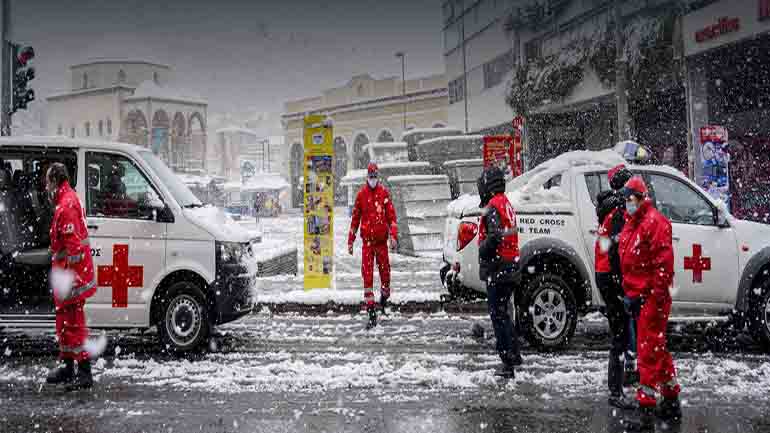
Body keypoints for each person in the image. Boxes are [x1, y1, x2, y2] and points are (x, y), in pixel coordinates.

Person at [618, 176, 681, 429]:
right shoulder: (634, 222)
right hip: (639, 295)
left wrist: (654, 296)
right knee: (656, 345)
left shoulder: (653, 223)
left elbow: (663, 264)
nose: (627, 203)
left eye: (630, 198)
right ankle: (670, 395)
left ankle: (646, 404)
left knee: (647, 347)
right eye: (626, 199)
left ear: (642, 198)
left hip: (650, 297)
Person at [45, 162, 97, 390]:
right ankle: (67, 367)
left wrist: (70, 281)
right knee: (65, 323)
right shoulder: (66, 200)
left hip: (71, 278)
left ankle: (84, 373)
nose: (46, 187)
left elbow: (74, 249)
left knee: (74, 325)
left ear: (55, 181)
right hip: (67, 275)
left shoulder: (65, 206)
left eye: (48, 182)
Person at [594, 164, 637, 408]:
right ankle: (616, 390)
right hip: (610, 276)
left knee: (620, 330)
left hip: (605, 274)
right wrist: (623, 282)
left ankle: (620, 382)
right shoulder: (619, 212)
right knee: (620, 334)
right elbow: (616, 251)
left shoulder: (610, 208)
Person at [477, 166, 521, 378]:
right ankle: (515, 353)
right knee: (505, 312)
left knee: (498, 315)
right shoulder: (505, 203)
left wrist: (482, 249)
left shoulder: (493, 206)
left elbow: (494, 236)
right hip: (511, 263)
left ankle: (507, 362)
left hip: (499, 266)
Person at [348, 162, 398, 329]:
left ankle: (384, 301)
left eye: (375, 177)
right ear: (367, 177)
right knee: (367, 276)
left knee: (385, 274)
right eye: (370, 177)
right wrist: (350, 240)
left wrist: (393, 236)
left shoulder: (384, 193)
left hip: (381, 242)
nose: (373, 179)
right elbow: (355, 219)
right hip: (367, 244)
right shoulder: (361, 195)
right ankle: (371, 313)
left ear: (378, 177)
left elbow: (391, 217)